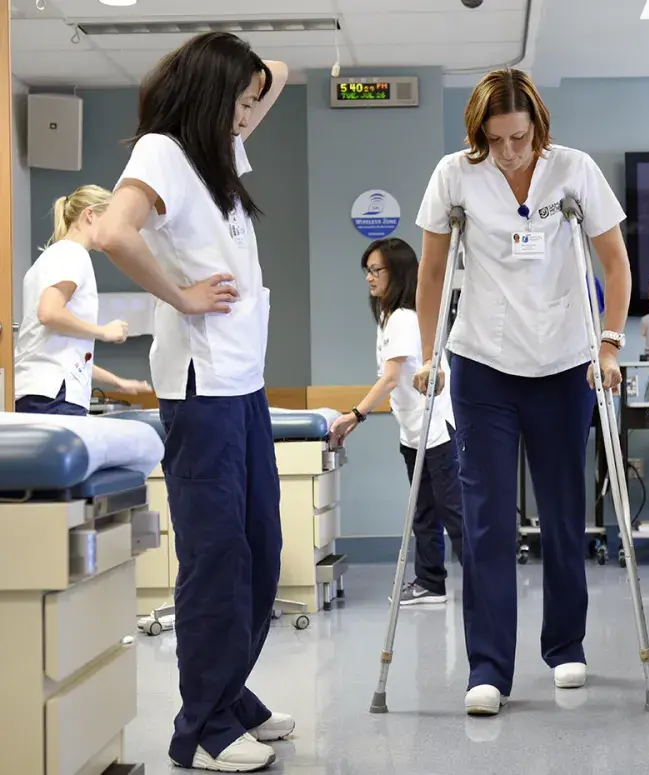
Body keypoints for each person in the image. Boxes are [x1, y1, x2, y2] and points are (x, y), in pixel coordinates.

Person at [94, 33, 290, 772]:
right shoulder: (164, 153)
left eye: (250, 103)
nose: (250, 115)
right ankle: (201, 728)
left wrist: (242, 68)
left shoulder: (216, 155)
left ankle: (231, 695)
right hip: (201, 390)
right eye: (239, 102)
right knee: (217, 557)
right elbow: (115, 233)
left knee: (262, 551)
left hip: (243, 384)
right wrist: (178, 296)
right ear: (212, 98)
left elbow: (280, 72)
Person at [413, 68, 631, 716]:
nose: (509, 151)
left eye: (519, 137)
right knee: (484, 522)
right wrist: (430, 354)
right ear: (478, 134)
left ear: (538, 126)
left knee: (565, 514)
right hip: (482, 364)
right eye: (496, 139)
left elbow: (615, 263)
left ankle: (566, 645)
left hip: (565, 362)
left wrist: (611, 344)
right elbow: (429, 273)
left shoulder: (575, 171)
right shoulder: (454, 175)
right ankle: (487, 665)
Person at [329, 237, 464, 605]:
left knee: (454, 514)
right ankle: (430, 582)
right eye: (367, 271)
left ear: (398, 272)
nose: (369, 279)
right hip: (414, 431)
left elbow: (389, 378)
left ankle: (487, 585)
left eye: (376, 270)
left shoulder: (405, 317)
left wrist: (355, 415)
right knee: (423, 511)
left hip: (436, 430)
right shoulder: (389, 316)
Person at [14, 185, 152, 416]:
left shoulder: (53, 257)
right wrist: (103, 331)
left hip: (42, 391)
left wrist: (118, 382)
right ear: (89, 215)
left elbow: (66, 351)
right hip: (54, 395)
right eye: (110, 222)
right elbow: (48, 313)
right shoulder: (73, 254)